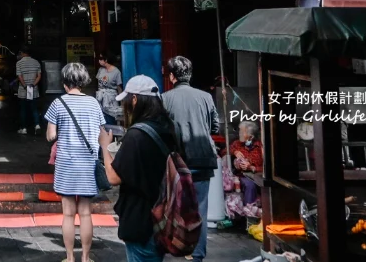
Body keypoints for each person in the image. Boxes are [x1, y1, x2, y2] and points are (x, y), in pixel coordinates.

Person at [98, 75, 177, 262]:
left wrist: (104, 146)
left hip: (141, 218)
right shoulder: (167, 128)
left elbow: (113, 177)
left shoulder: (136, 135)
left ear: (134, 99)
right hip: (163, 216)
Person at [45, 63, 106, 262]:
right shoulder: (93, 103)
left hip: (66, 164)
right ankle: (86, 258)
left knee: (68, 214)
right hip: (88, 163)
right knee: (86, 213)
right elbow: (101, 133)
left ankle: (70, 258)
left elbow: (51, 135)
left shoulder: (58, 103)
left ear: (65, 82)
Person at [161, 56, 220, 262]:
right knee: (199, 210)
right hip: (203, 160)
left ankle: (174, 245)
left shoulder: (165, 98)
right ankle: (197, 254)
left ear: (171, 76)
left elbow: (162, 131)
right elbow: (215, 127)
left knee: (173, 207)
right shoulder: (205, 97)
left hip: (178, 162)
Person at [224, 121, 263, 221]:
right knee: (249, 185)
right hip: (242, 176)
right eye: (240, 131)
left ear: (251, 136)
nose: (240, 134)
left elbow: (267, 166)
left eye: (243, 132)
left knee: (257, 185)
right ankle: (249, 216)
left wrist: (251, 167)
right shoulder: (237, 144)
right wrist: (235, 151)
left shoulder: (260, 147)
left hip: (258, 175)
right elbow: (224, 151)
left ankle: (255, 215)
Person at [15, 48, 42, 135]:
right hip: (33, 89)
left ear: (22, 53)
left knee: (23, 109)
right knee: (34, 108)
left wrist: (25, 86)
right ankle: (37, 126)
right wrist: (33, 85)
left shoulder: (19, 63)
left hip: (23, 90)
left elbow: (20, 76)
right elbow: (39, 76)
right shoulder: (36, 62)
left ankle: (24, 129)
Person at [95, 54, 123, 126]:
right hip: (101, 95)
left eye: (101, 59)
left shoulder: (116, 72)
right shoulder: (101, 70)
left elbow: (119, 87)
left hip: (111, 97)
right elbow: (98, 83)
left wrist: (122, 102)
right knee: (101, 118)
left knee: (111, 117)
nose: (99, 60)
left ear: (106, 60)